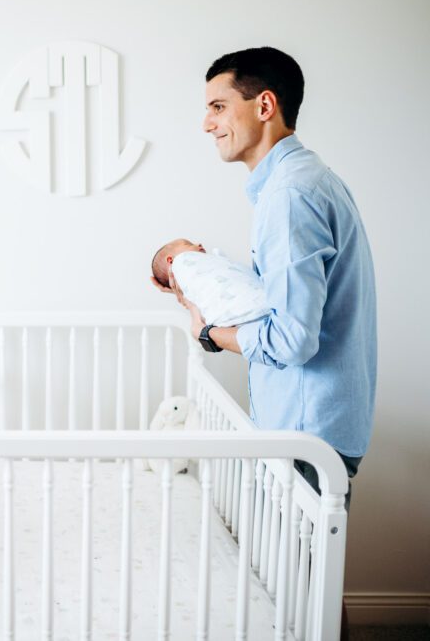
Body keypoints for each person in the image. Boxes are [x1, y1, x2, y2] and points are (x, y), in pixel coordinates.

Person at [155, 47, 377, 512]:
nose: (206, 123)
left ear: (264, 106)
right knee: (294, 581)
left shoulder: (290, 195)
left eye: (218, 107)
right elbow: (283, 300)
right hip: (315, 426)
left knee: (294, 584)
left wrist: (209, 333)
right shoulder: (310, 180)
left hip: (305, 432)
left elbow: (293, 340)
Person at [150, 238, 268, 327]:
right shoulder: (181, 262)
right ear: (171, 261)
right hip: (248, 311)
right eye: (189, 244)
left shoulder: (209, 268)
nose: (199, 244)